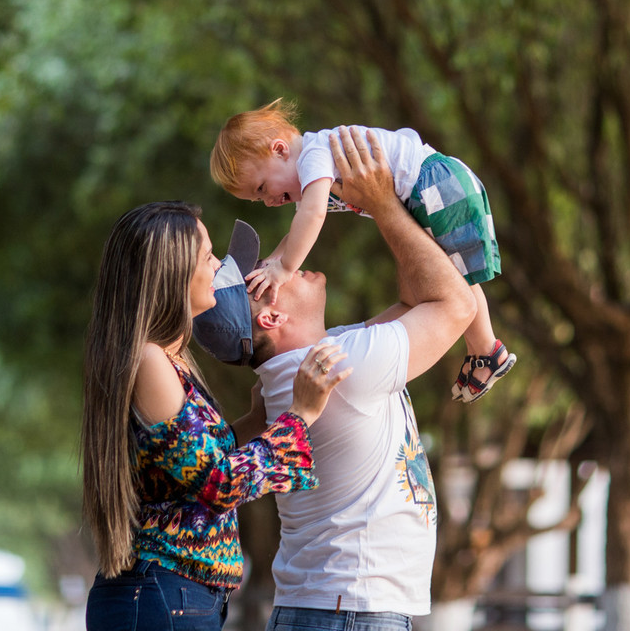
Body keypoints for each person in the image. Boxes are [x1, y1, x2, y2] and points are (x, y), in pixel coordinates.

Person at [193, 127, 477, 630]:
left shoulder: (318, 362)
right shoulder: (341, 367)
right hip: (351, 611)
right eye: (264, 275)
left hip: (337, 608)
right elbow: (453, 303)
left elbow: (419, 297)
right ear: (271, 318)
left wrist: (387, 204)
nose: (280, 263)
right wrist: (385, 204)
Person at [80, 201, 350, 631]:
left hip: (177, 595)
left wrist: (258, 420)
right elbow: (217, 484)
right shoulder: (150, 360)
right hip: (162, 594)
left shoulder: (170, 358)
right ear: (173, 272)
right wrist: (299, 416)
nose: (221, 266)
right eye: (208, 255)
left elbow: (196, 466)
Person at [210, 98, 515, 403]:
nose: (269, 201)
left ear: (279, 149)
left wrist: (285, 268)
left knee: (456, 276)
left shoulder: (313, 156)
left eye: (262, 188)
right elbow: (295, 232)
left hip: (432, 185)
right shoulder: (310, 170)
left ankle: (486, 350)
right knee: (452, 275)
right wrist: (271, 265)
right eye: (257, 199)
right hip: (425, 189)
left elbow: (313, 216)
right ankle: (484, 350)